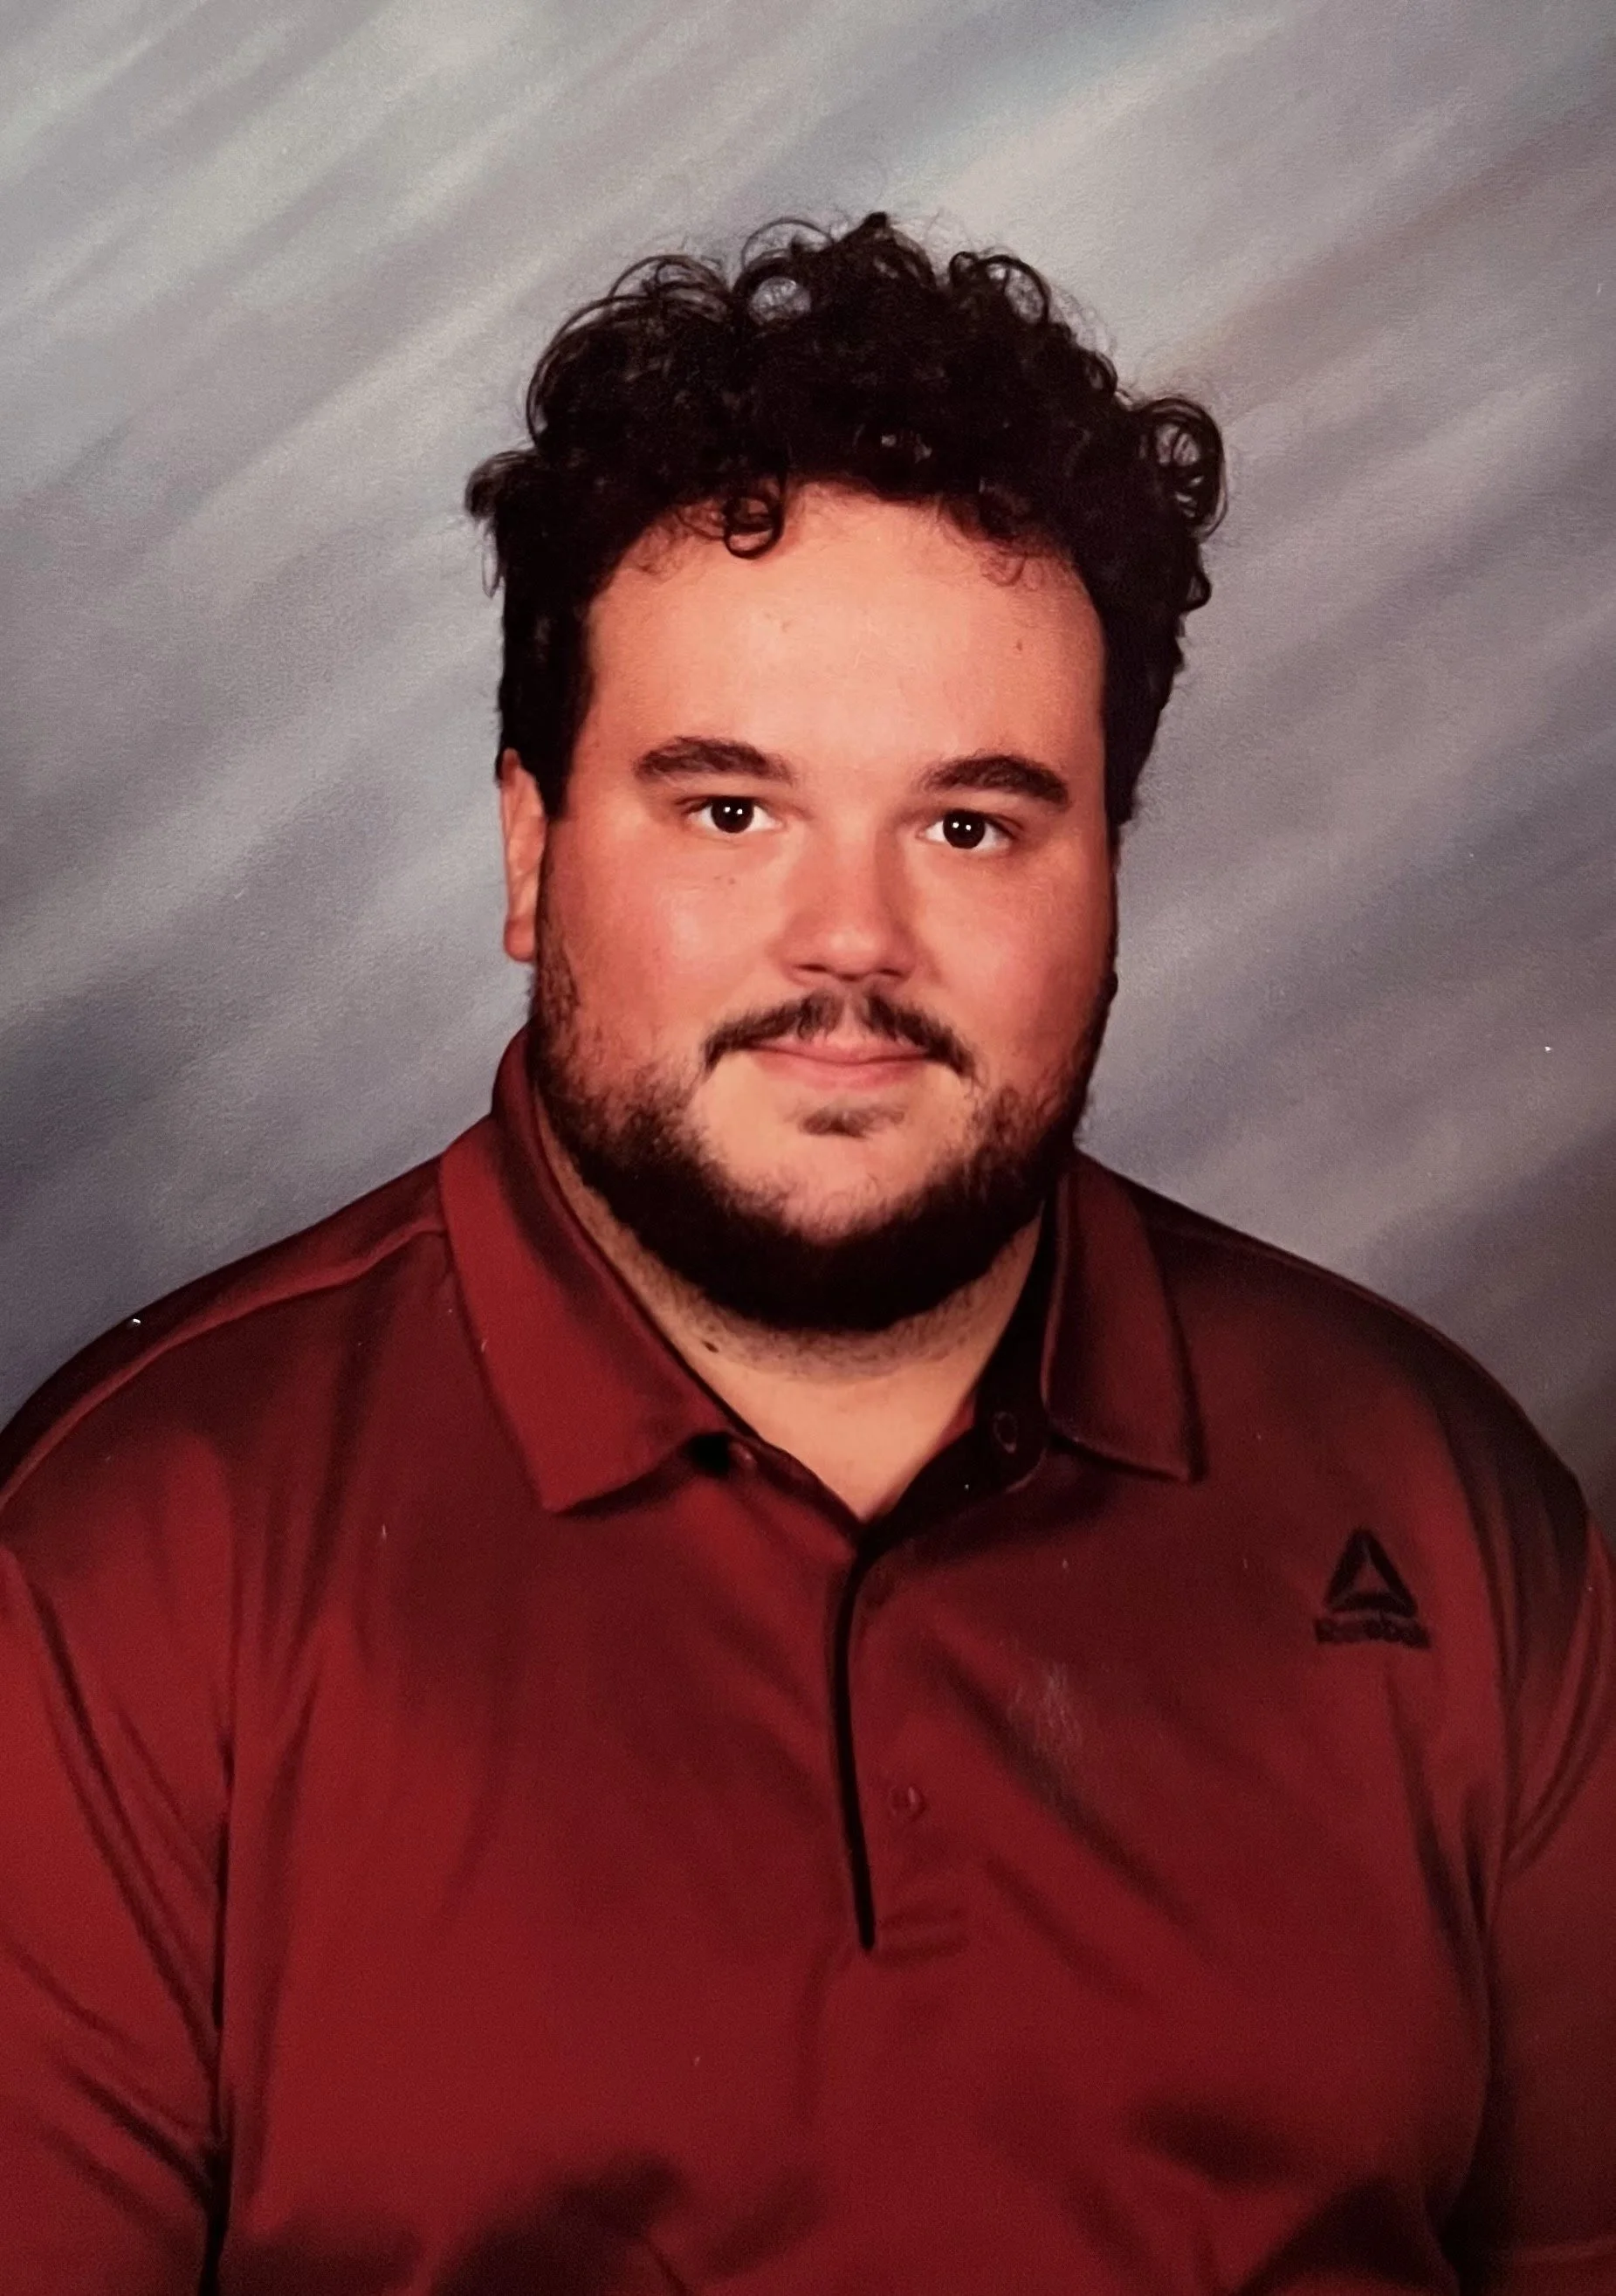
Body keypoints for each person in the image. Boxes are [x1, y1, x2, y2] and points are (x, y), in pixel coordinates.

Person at [0, 213, 1611, 2295]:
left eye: (969, 823)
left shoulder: (1439, 1509)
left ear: (1109, 872)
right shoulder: (133, 1567)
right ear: (527, 847)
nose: (850, 943)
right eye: (731, 811)